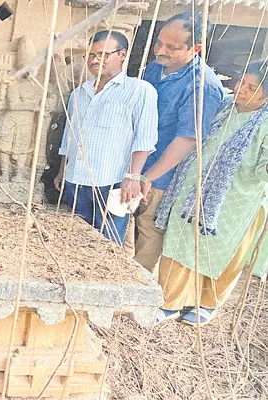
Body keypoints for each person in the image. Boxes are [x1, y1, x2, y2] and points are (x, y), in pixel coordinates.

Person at [154, 61, 268, 325]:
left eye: (252, 88)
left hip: (238, 199)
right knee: (180, 240)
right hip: (193, 187)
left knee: (222, 251)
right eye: (241, 81)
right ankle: (170, 302)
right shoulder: (224, 105)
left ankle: (207, 303)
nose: (241, 89)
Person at [135, 12, 225, 272]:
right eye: (159, 43)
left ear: (195, 49)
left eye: (171, 48)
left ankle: (135, 290)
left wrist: (149, 177)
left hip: (163, 174)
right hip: (138, 164)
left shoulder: (201, 85)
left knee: (149, 228)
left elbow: (187, 139)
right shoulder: (154, 67)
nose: (160, 51)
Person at [54, 30, 158, 244]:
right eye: (90, 56)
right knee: (74, 241)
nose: (94, 61)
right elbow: (69, 137)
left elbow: (145, 139)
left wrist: (133, 177)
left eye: (102, 55)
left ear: (122, 55)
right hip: (76, 180)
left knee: (107, 244)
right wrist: (62, 170)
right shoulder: (79, 93)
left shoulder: (139, 91)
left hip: (111, 182)